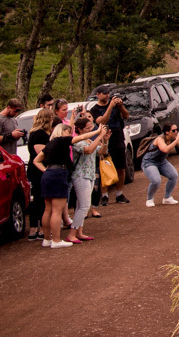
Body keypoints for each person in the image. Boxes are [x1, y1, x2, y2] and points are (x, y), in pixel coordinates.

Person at [65, 112, 108, 242]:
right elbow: (89, 150)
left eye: (91, 127)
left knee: (81, 205)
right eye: (87, 128)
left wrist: (105, 140)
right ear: (79, 129)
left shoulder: (88, 140)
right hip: (80, 175)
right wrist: (99, 136)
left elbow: (101, 151)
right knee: (84, 205)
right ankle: (72, 233)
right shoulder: (77, 142)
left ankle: (79, 231)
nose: (91, 130)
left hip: (88, 174)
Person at [34, 122, 77, 248]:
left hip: (48, 175)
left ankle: (47, 239)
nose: (70, 135)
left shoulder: (50, 145)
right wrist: (98, 133)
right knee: (57, 211)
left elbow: (36, 160)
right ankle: (56, 240)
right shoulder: (61, 141)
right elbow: (79, 138)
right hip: (59, 175)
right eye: (68, 132)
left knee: (48, 209)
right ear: (62, 131)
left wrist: (46, 170)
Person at [89, 86, 131, 204]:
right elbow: (102, 121)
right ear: (98, 94)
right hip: (104, 142)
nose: (107, 95)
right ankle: (104, 195)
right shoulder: (94, 109)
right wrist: (110, 107)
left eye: (108, 93)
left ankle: (119, 194)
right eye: (104, 93)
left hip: (118, 138)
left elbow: (126, 116)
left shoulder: (115, 106)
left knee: (121, 168)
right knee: (104, 168)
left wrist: (120, 106)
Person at [24, 107, 54, 241]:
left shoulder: (37, 133)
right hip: (38, 169)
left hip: (37, 168)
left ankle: (38, 227)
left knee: (39, 198)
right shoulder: (39, 134)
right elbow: (42, 153)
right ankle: (38, 228)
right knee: (39, 199)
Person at [142, 124, 179, 207]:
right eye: (173, 130)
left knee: (174, 175)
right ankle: (149, 199)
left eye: (176, 130)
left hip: (161, 161)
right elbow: (165, 149)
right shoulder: (160, 139)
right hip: (149, 162)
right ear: (167, 132)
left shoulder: (173, 138)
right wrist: (177, 139)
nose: (176, 132)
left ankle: (167, 198)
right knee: (156, 181)